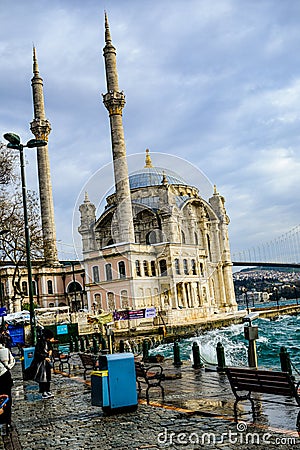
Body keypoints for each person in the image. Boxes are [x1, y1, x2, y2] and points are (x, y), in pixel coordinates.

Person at [32, 329, 55, 399]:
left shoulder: (48, 342)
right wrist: (44, 357)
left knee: (48, 376)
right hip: (41, 362)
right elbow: (37, 353)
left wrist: (50, 354)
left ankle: (48, 390)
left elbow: (50, 349)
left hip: (47, 362)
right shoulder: (40, 342)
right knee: (42, 377)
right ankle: (43, 391)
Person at [0, 334, 15, 432]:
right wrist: (7, 367)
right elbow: (12, 362)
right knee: (7, 399)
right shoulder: (5, 350)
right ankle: (8, 422)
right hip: (5, 377)